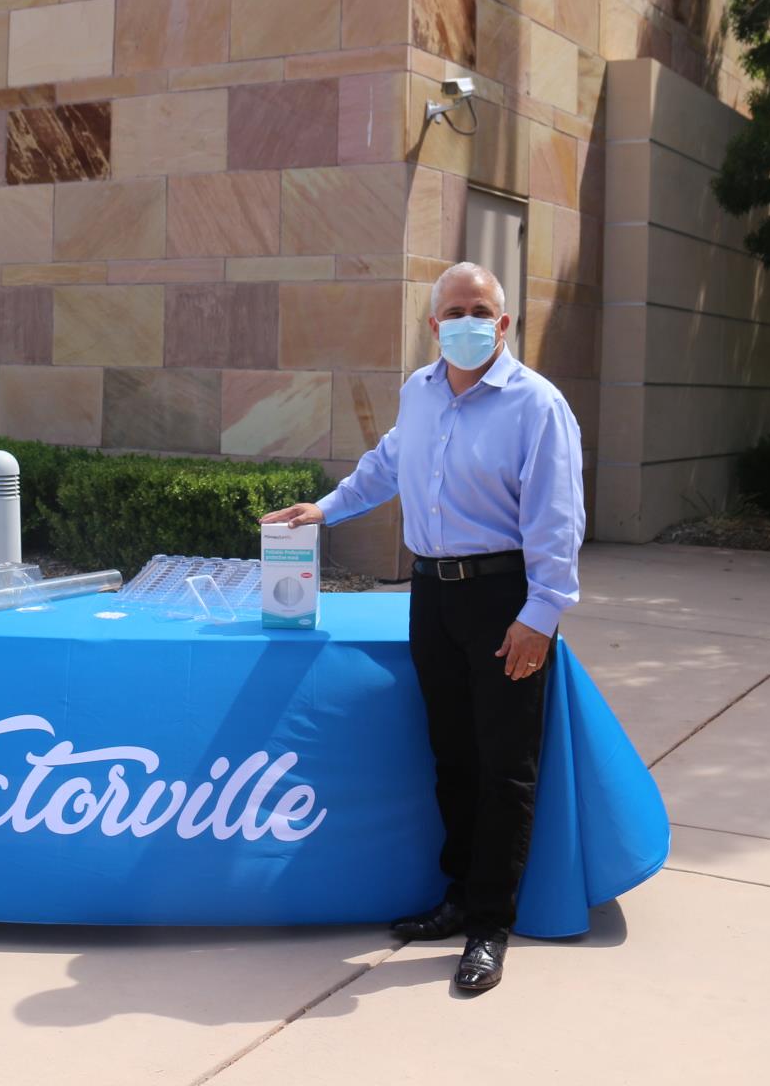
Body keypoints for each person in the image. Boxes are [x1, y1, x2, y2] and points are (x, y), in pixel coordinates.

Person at [261, 262, 584, 993]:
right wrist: (325, 509)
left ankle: (489, 927)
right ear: (433, 323)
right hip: (433, 596)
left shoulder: (538, 406)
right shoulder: (421, 390)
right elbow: (388, 465)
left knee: (505, 770)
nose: (466, 321)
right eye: (453, 310)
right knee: (453, 758)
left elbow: (558, 521)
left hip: (505, 600)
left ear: (502, 324)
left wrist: (542, 615)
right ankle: (459, 896)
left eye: (481, 310)